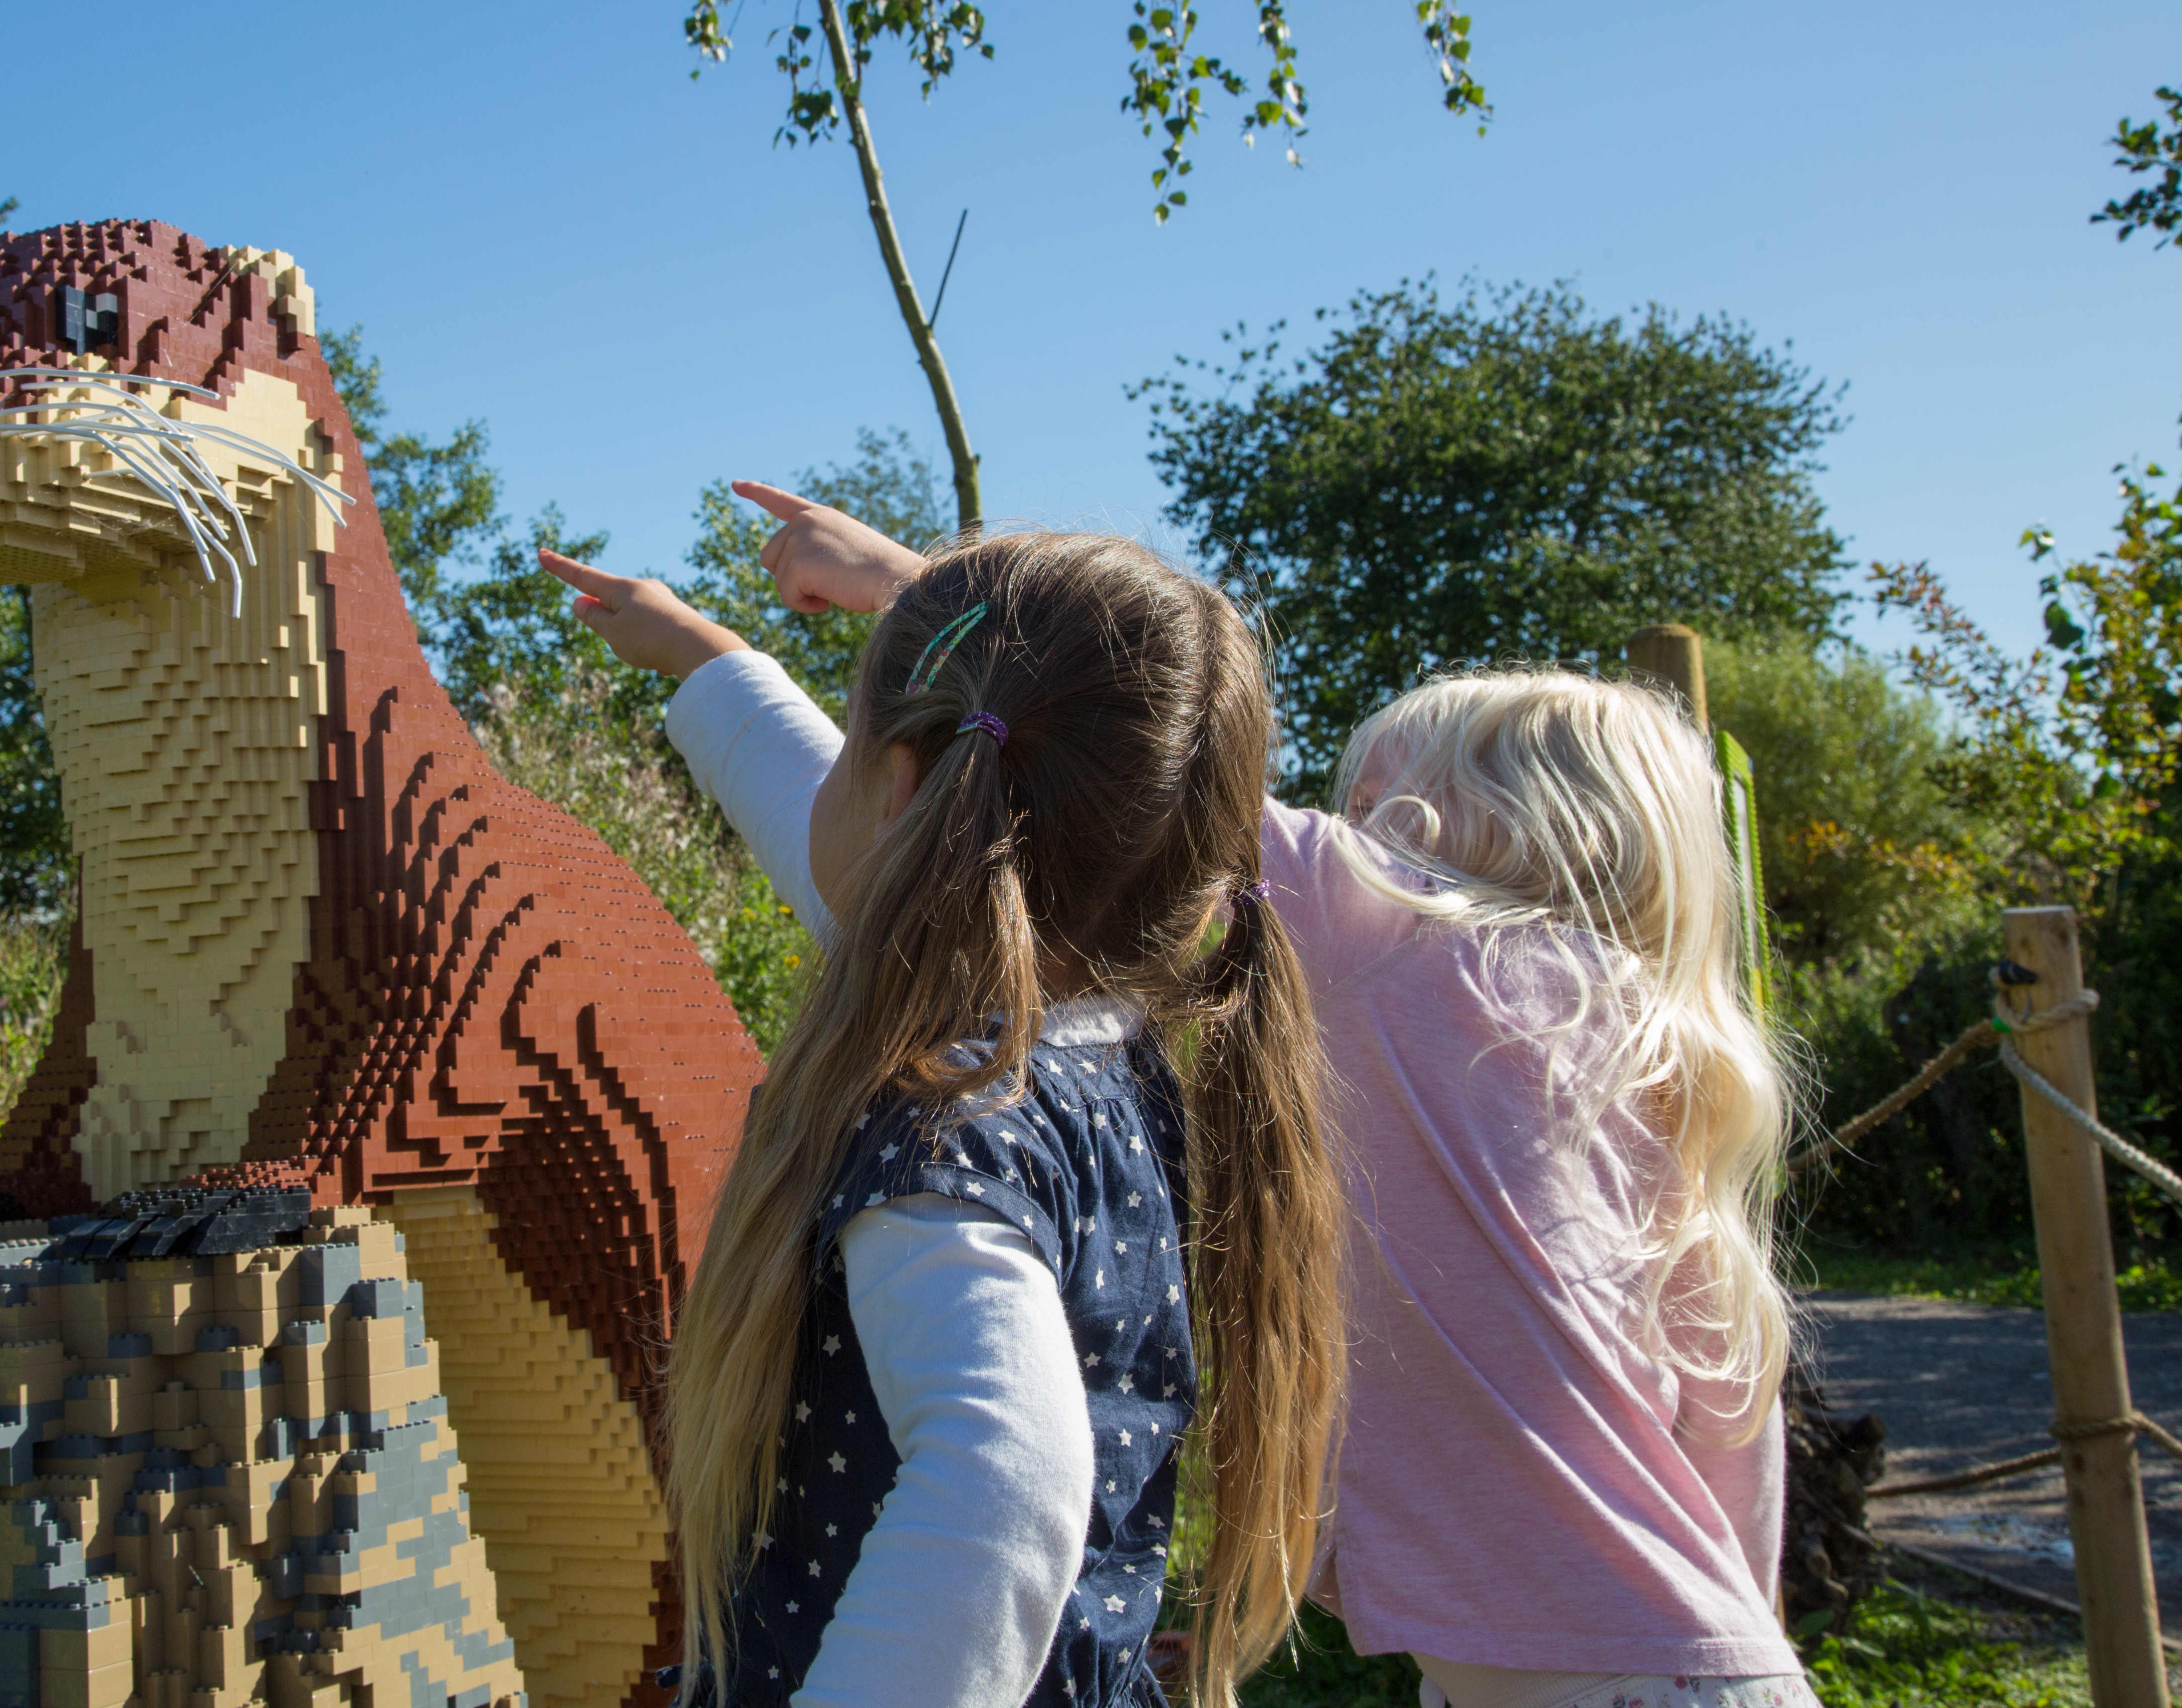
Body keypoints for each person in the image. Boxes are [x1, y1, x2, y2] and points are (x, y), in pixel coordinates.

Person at [548, 483, 1815, 1708]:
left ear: (1449, 844)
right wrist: (723, 667)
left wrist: (901, 593)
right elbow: (1735, 1443)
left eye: (1369, 804)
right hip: (1705, 1665)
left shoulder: (1435, 954)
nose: (1318, 825)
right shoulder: (1643, 1065)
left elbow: (1097, 755)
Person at [534, 523, 1346, 1708]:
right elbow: (860, 850)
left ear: (906, 793)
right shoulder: (1103, 1058)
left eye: (852, 753)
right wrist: (708, 661)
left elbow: (1004, 1483)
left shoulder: (941, 1125)